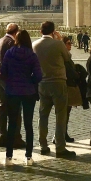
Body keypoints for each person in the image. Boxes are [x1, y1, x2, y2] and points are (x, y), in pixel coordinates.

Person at [33, 21, 75, 158]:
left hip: (42, 83)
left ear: (40, 31)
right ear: (53, 31)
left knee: (43, 115)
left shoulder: (35, 45)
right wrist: (59, 40)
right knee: (60, 116)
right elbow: (68, 58)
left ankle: (43, 145)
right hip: (58, 82)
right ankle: (60, 147)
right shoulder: (58, 44)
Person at [1, 29, 42, 165]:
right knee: (28, 124)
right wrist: (29, 80)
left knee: (12, 124)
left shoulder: (9, 53)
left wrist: (12, 79)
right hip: (28, 92)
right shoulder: (32, 55)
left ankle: (8, 157)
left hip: (12, 91)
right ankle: (29, 156)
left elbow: (3, 71)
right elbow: (38, 76)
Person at [0, 23, 25, 148]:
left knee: (3, 107)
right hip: (11, 80)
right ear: (16, 33)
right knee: (15, 110)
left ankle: (3, 136)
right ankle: (16, 138)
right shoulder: (12, 44)